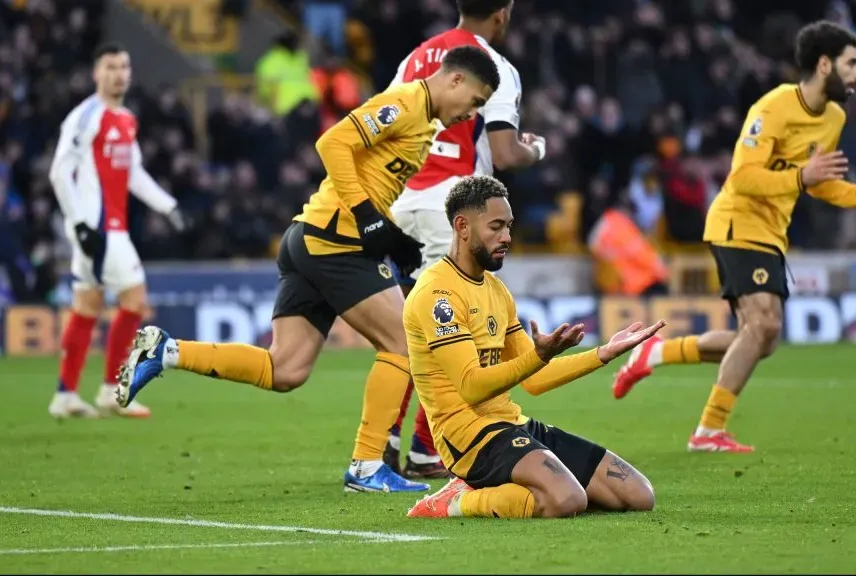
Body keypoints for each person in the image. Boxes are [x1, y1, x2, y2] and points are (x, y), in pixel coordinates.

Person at [115, 46, 502, 494]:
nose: (471, 114)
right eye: (474, 101)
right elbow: (333, 142)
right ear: (454, 81)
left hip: (312, 238)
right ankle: (366, 464)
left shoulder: (425, 120)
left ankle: (167, 351)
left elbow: (372, 176)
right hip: (336, 240)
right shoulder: (406, 102)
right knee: (406, 342)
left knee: (286, 369)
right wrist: (367, 216)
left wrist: (392, 236)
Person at [611, 21, 856, 452]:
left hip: (771, 232)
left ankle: (654, 354)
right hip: (737, 221)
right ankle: (708, 430)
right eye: (852, 64)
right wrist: (804, 176)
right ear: (824, 65)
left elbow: (816, 183)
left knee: (760, 340)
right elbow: (744, 177)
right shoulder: (774, 107)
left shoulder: (834, 118)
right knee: (763, 324)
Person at [404, 175, 663, 519]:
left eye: (509, 227)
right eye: (496, 227)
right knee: (566, 500)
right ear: (462, 226)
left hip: (510, 425)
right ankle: (456, 500)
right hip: (466, 437)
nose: (507, 237)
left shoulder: (496, 290)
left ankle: (508, 486)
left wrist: (602, 354)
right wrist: (538, 355)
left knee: (637, 494)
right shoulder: (438, 295)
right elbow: (471, 386)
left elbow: (535, 380)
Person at [385, 0, 547, 480]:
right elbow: (504, 152)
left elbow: (390, 126)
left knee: (410, 329)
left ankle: (399, 446)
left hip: (399, 202)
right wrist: (536, 149)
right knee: (458, 331)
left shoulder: (416, 58)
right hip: (449, 206)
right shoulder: (493, 67)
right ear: (503, 12)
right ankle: (415, 446)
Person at [47, 43, 186, 419]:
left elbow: (134, 174)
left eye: (124, 66)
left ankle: (65, 395)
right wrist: (78, 223)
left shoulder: (125, 118)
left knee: (88, 307)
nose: (119, 74)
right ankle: (111, 389)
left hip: (107, 229)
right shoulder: (86, 117)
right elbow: (59, 171)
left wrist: (167, 205)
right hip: (98, 228)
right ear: (97, 73)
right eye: (110, 66)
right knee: (135, 301)